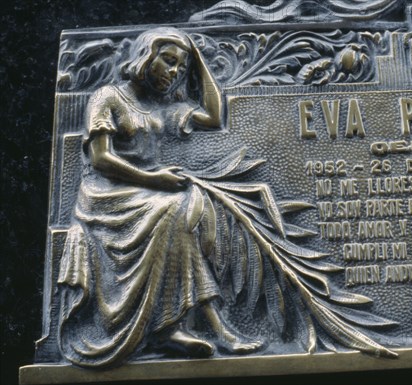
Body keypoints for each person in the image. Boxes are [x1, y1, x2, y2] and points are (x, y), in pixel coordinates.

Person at [57, 27, 262, 368]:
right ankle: (203, 328)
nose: (174, 72)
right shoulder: (107, 97)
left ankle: (187, 326)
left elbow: (213, 115)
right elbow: (100, 158)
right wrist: (152, 179)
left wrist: (196, 58)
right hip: (106, 195)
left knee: (185, 207)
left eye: (181, 69)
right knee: (174, 208)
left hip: (147, 193)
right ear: (145, 57)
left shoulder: (163, 107)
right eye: (168, 62)